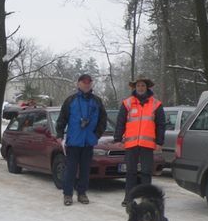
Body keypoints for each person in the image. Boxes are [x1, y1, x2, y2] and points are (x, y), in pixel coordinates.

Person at [55, 74, 107, 206]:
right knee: (70, 170)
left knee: (85, 170)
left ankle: (82, 193)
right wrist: (60, 134)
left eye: (89, 82)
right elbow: (62, 119)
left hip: (88, 142)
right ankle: (67, 194)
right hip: (73, 142)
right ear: (78, 84)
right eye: (84, 82)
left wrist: (96, 135)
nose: (86, 84)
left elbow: (103, 121)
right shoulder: (70, 100)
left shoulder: (97, 101)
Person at [114, 76, 166, 207]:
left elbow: (161, 124)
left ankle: (147, 199)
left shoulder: (156, 104)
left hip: (147, 145)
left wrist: (159, 142)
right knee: (130, 172)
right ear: (135, 87)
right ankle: (128, 198)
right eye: (138, 86)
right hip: (131, 144)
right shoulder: (127, 103)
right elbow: (120, 122)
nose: (140, 88)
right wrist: (117, 138)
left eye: (143, 85)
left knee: (146, 173)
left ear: (147, 87)